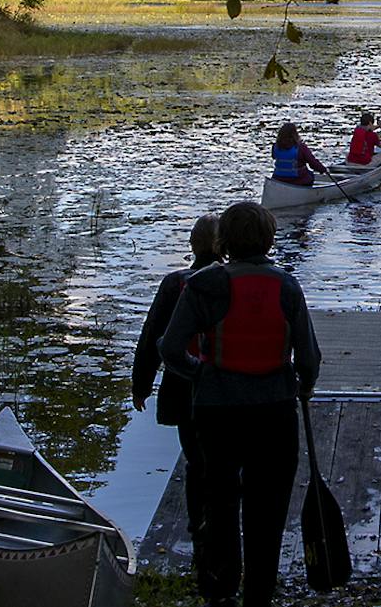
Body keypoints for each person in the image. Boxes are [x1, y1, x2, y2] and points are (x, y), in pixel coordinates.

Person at [159, 202, 322, 607]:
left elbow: (170, 348)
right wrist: (305, 384)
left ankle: (222, 584)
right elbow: (309, 359)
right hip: (275, 410)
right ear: (268, 239)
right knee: (267, 507)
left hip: (217, 413)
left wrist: (201, 373)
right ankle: (259, 593)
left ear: (224, 242)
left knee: (221, 497)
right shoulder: (286, 286)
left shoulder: (204, 284)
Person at [131, 215, 221, 536]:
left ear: (191, 244)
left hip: (182, 385)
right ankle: (221, 517)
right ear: (222, 245)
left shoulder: (174, 283)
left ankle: (197, 522)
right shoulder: (232, 280)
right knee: (222, 456)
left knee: (195, 459)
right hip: (222, 385)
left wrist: (140, 385)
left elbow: (151, 335)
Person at [270, 122, 327, 186]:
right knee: (310, 175)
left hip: (278, 179)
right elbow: (312, 162)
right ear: (295, 134)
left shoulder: (275, 146)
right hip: (298, 180)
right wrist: (323, 169)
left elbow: (274, 156)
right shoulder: (301, 147)